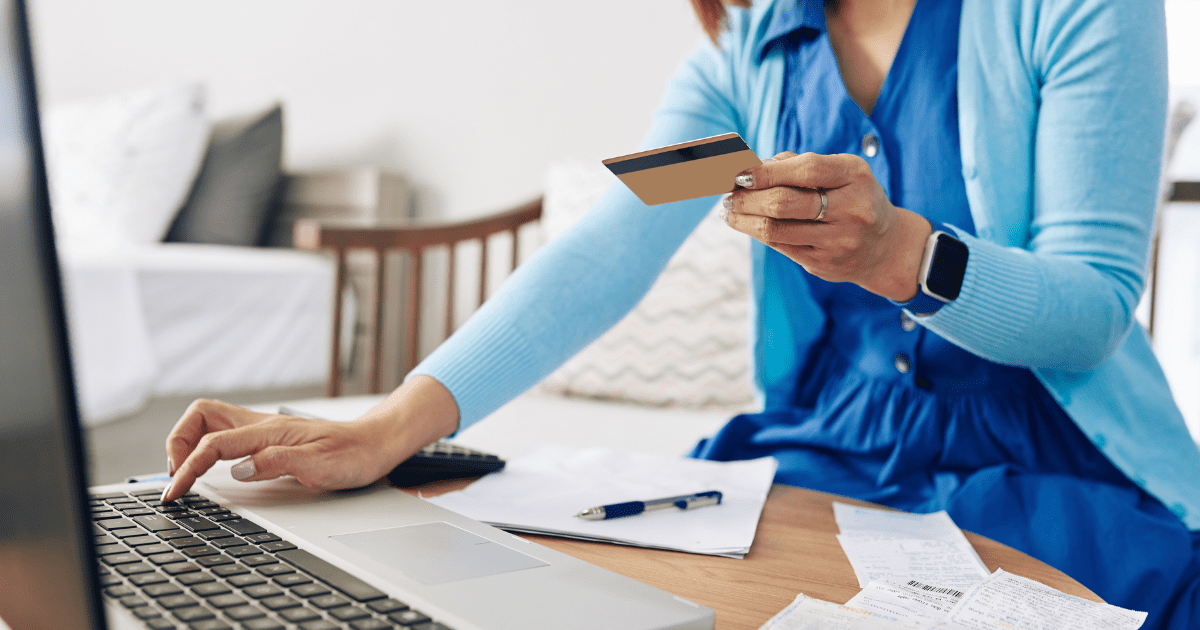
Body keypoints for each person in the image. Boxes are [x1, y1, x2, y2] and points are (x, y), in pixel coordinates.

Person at [161, 0, 1200, 626]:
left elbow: (1093, 312)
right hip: (816, 456)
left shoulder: (1070, 11)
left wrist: (903, 255)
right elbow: (608, 246)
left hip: (1051, 464)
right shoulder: (748, 59)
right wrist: (390, 426)